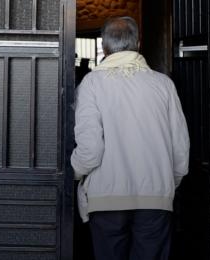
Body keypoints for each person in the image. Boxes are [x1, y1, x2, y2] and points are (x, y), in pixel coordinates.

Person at [71, 16, 190, 260]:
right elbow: (180, 149)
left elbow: (90, 151)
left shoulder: (91, 84)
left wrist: (72, 174)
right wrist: (166, 184)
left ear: (104, 46)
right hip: (155, 197)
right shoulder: (163, 85)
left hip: (105, 198)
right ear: (138, 43)